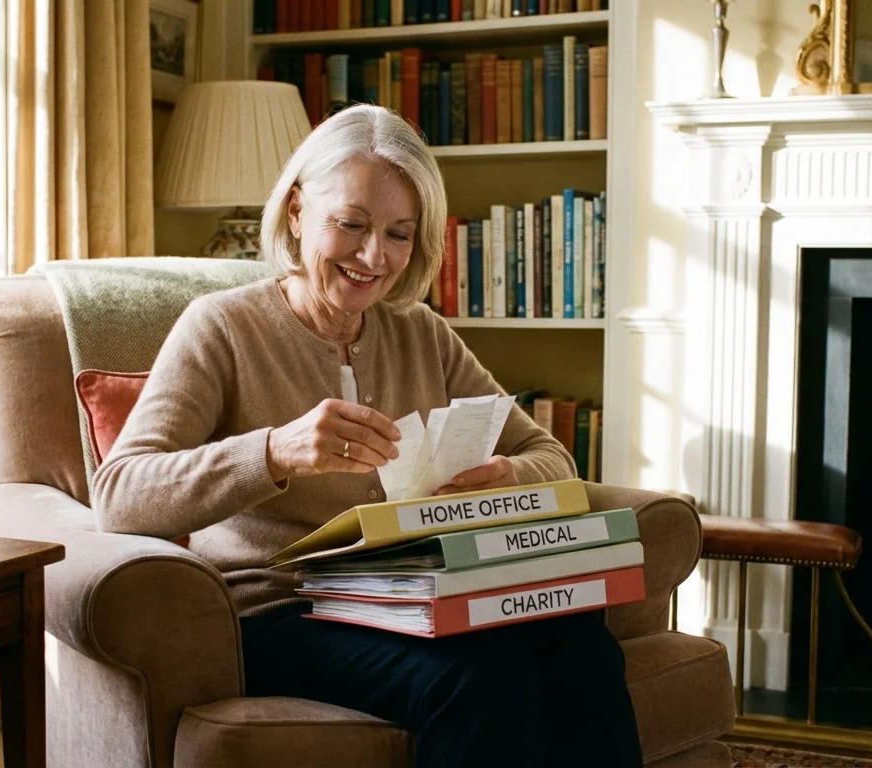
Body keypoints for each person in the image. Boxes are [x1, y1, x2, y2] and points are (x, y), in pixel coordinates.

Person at [93, 104, 642, 768]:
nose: (373, 256)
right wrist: (272, 452)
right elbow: (119, 494)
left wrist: (508, 478)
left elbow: (548, 455)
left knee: (581, 645)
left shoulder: (421, 332)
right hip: (281, 612)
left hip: (414, 592)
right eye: (350, 224)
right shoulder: (221, 328)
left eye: (398, 233)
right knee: (477, 676)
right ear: (297, 211)